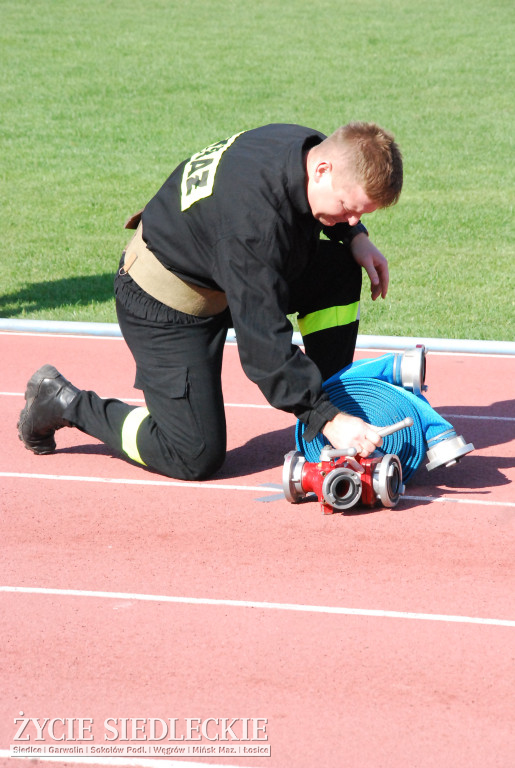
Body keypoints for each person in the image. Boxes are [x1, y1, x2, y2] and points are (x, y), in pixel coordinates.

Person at [18, 122, 403, 480]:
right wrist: (328, 418)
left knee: (338, 270)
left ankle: (329, 408)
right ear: (322, 171)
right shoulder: (253, 227)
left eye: (361, 213)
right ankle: (63, 401)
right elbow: (264, 353)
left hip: (220, 270)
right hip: (164, 305)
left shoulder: (307, 147)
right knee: (194, 454)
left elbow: (312, 228)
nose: (353, 219)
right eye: (348, 209)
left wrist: (356, 239)